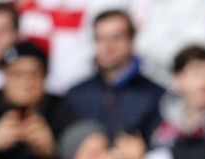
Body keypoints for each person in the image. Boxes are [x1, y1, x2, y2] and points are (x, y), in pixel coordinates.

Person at [64, 9, 163, 138]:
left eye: (116, 38)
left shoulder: (155, 96)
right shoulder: (76, 95)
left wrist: (142, 156)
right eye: (101, 38)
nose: (108, 46)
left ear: (131, 41)